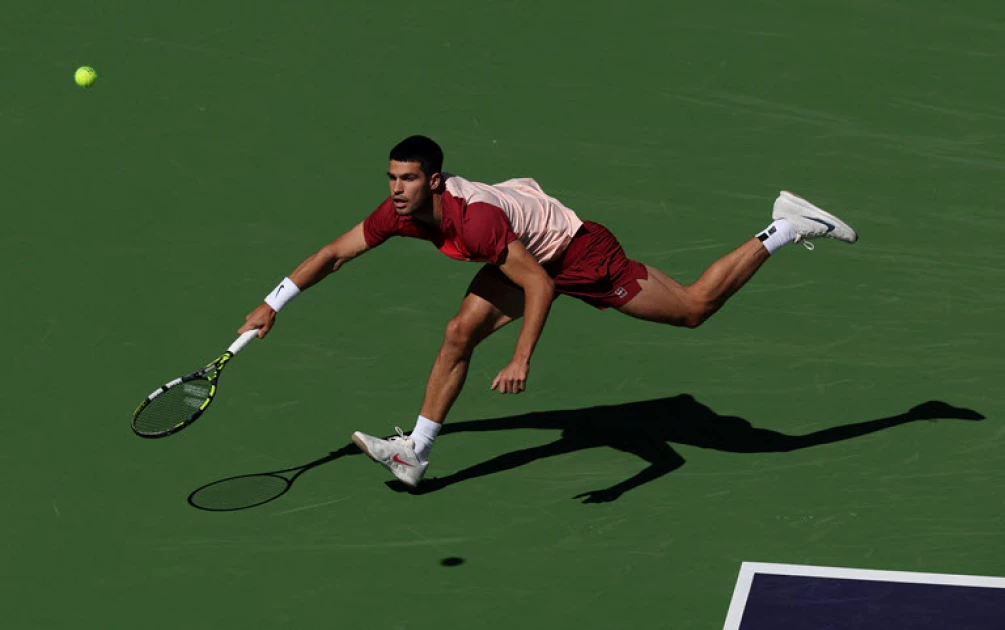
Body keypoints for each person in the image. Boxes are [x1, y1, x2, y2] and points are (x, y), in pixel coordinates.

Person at [238, 135, 858, 488]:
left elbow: (539, 286)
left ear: (434, 181)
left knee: (695, 308)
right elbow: (333, 254)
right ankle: (415, 453)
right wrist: (274, 302)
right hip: (525, 246)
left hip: (575, 253)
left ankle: (783, 226)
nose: (394, 188)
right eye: (390, 178)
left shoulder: (472, 221)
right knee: (458, 333)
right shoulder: (395, 213)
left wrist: (521, 357)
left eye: (406, 179)